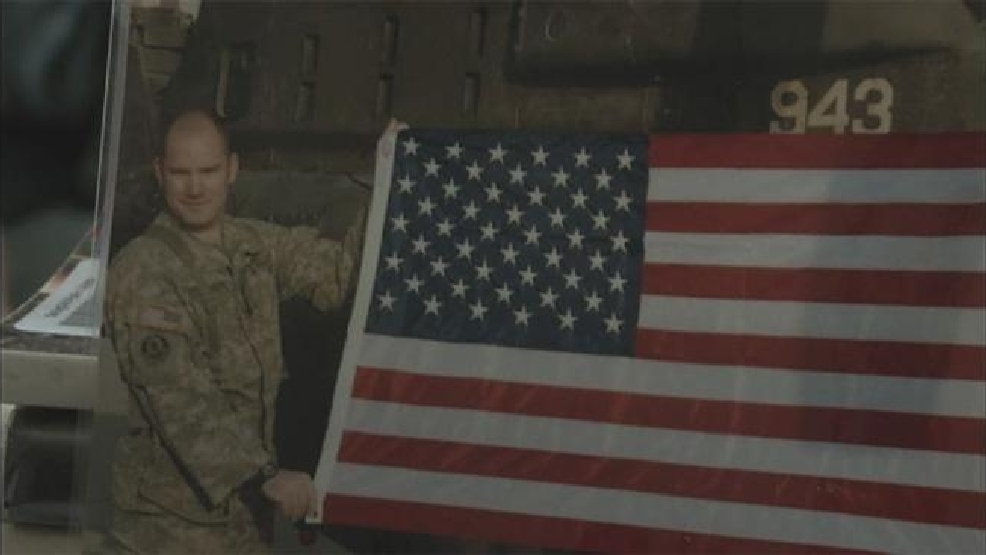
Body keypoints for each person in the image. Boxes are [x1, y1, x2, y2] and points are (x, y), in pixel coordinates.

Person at [103, 108, 370, 554]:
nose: (195, 188)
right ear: (159, 173)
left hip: (245, 524)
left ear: (231, 169)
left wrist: (389, 181)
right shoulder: (142, 271)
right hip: (168, 532)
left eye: (208, 171)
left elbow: (336, 276)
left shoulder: (254, 245)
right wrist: (266, 476)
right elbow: (182, 403)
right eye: (181, 173)